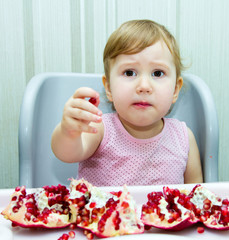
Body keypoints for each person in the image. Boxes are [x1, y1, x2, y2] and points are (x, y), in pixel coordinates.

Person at [51, 19, 203, 186]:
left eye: (158, 73)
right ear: (108, 87)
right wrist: (69, 132)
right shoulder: (99, 129)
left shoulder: (184, 138)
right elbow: (67, 153)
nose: (144, 86)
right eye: (130, 72)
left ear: (175, 89)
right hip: (103, 213)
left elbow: (197, 194)